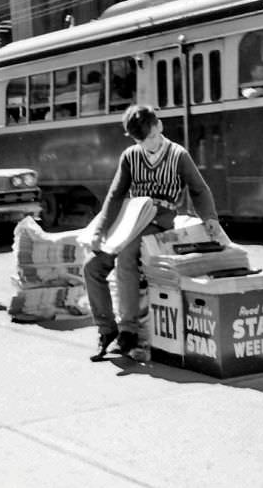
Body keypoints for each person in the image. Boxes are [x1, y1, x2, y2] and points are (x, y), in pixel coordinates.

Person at [84, 104, 222, 361]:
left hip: (159, 218)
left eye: (154, 135)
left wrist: (210, 219)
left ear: (160, 126)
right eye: (145, 140)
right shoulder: (130, 157)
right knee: (92, 266)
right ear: (135, 139)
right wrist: (100, 231)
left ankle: (128, 331)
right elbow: (115, 196)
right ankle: (107, 331)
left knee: (126, 256)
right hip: (132, 218)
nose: (152, 142)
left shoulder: (178, 155)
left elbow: (199, 190)